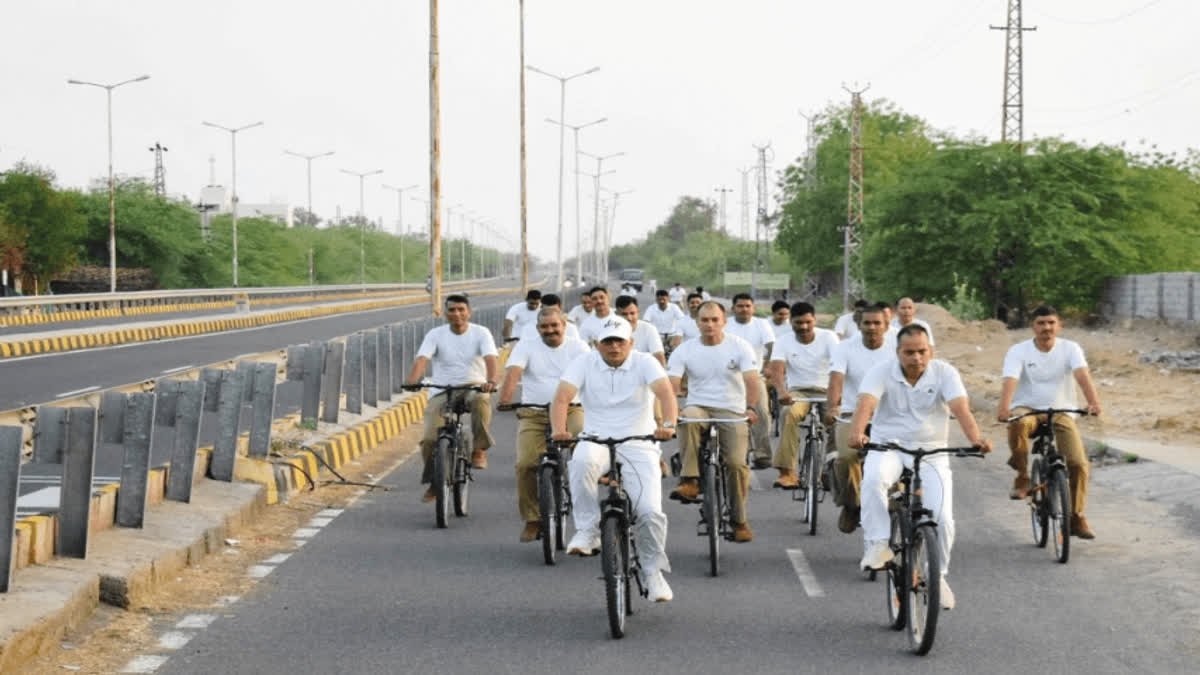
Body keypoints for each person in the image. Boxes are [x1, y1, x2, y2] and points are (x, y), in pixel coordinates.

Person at [848, 324, 992, 610]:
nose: (916, 358)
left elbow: (961, 408)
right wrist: (858, 432)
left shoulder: (945, 372)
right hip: (889, 446)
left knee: (943, 517)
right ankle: (878, 543)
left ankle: (938, 576)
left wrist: (976, 439)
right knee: (874, 479)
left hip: (932, 451)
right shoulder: (881, 371)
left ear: (931, 351)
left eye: (922, 351)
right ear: (898, 352)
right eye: (909, 352)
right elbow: (866, 403)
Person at [551, 316, 679, 602]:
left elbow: (665, 393)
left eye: (619, 341)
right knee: (580, 462)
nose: (614, 347)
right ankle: (587, 530)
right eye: (607, 341)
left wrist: (668, 424)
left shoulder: (645, 362)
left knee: (648, 511)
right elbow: (562, 398)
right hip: (595, 437)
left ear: (630, 343)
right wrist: (559, 430)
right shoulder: (584, 362)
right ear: (597, 344)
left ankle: (652, 571)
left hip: (639, 442)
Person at [997, 304, 1102, 539]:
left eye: (1051, 323)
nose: (1047, 328)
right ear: (1032, 327)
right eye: (1041, 323)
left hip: (1061, 411)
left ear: (1059, 325)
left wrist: (1093, 402)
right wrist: (1004, 407)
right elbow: (1010, 379)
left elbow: (1082, 375)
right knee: (1018, 423)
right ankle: (1022, 475)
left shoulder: (1070, 348)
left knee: (1078, 463)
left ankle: (1076, 517)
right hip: (1029, 408)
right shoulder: (1018, 351)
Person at [665, 301, 760, 542]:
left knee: (736, 465)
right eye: (704, 320)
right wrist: (671, 411)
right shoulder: (684, 350)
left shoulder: (740, 347)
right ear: (696, 323)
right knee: (687, 417)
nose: (709, 324)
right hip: (700, 406)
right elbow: (672, 385)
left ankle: (739, 521)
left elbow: (751, 380)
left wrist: (750, 407)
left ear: (724, 321)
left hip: (732, 410)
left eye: (714, 320)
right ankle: (690, 480)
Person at [498, 306, 590, 543]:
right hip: (534, 413)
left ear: (564, 326)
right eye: (544, 327)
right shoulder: (526, 346)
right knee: (525, 464)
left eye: (554, 326)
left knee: (584, 453)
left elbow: (590, 377)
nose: (550, 331)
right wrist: (506, 399)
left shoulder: (578, 347)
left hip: (572, 409)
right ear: (537, 328)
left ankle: (587, 508)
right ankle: (532, 519)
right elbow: (514, 373)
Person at [406, 295, 499, 500]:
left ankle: (479, 449)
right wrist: (413, 380)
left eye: (460, 309)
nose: (456, 314)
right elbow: (422, 358)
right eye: (452, 310)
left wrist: (491, 380)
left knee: (481, 400)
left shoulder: (481, 333)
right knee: (430, 439)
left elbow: (490, 358)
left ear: (469, 312)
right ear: (445, 313)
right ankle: (434, 483)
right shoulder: (435, 334)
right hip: (442, 390)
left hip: (473, 386)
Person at [824, 303, 895, 533]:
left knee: (909, 459)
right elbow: (836, 380)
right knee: (845, 458)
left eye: (877, 323)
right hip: (851, 415)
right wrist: (833, 407)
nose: (872, 327)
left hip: (890, 415)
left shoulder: (897, 347)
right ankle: (852, 505)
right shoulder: (845, 348)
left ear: (886, 325)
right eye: (867, 323)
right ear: (859, 325)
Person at [768, 302, 839, 489]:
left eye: (808, 322)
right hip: (798, 391)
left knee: (837, 420)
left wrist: (836, 399)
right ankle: (787, 472)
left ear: (814, 320)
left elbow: (839, 369)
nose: (804, 327)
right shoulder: (783, 341)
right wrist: (782, 392)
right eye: (799, 322)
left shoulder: (829, 337)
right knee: (789, 414)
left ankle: (831, 469)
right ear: (791, 322)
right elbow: (776, 371)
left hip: (826, 389)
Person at [724, 293, 776, 469]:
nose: (744, 309)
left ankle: (762, 454)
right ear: (733, 308)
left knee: (761, 411)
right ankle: (733, 452)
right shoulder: (725, 325)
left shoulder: (762, 324)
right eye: (740, 306)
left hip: (754, 376)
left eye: (748, 306)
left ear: (753, 308)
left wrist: (768, 366)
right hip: (729, 377)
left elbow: (771, 346)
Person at [615, 295, 667, 367]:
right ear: (616, 314)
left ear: (638, 312)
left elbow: (659, 356)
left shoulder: (649, 329)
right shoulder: (608, 330)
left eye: (632, 313)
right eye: (624, 314)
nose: (629, 318)